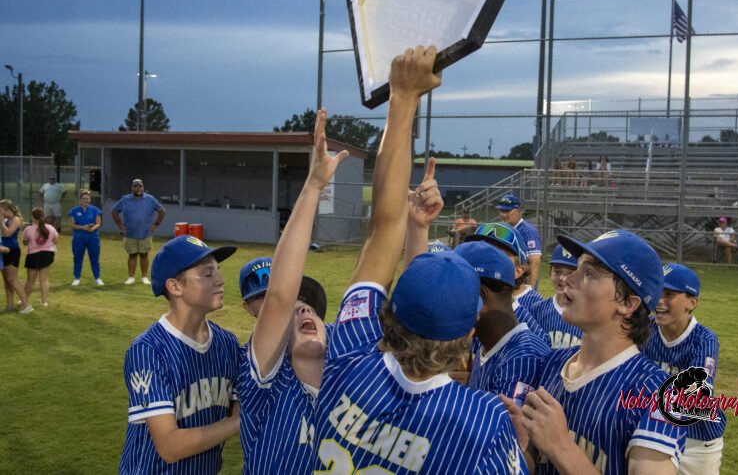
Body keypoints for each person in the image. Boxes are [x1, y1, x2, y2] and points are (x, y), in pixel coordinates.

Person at [313, 46, 527, 474]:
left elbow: (381, 228)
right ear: (468, 336)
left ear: (387, 314)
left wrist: (403, 99)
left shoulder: (347, 358)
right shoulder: (484, 423)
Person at [503, 230, 685, 474]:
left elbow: (556, 448)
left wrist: (562, 448)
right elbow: (534, 460)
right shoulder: (553, 362)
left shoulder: (657, 393)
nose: (568, 279)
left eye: (588, 273)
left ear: (628, 304)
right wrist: (519, 447)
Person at [238, 109, 346, 473]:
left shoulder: (352, 384)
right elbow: (281, 296)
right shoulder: (264, 386)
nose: (303, 311)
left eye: (311, 309)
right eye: (293, 310)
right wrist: (314, 186)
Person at [119, 234, 240, 474]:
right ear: (174, 286)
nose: (220, 281)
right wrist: (237, 422)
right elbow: (169, 446)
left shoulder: (227, 343)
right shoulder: (148, 350)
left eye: (218, 271)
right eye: (208, 274)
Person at [642, 263, 726, 475]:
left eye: (669, 294)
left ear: (691, 302)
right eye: (657, 291)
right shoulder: (645, 330)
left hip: (696, 440)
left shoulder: (704, 340)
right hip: (655, 429)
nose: (659, 301)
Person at [454, 240, 551, 398]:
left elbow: (500, 422)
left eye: (454, 294)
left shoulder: (522, 360)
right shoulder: (490, 342)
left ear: (481, 296)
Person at [112, 178, 166, 285]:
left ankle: (144, 277)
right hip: (130, 233)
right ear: (132, 188)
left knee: (144, 254)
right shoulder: (125, 199)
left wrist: (156, 224)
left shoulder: (150, 199)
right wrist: (121, 226)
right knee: (132, 255)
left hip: (145, 232)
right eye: (136, 186)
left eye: (140, 186)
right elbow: (114, 211)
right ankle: (131, 277)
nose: (138, 188)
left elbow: (162, 211)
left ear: (143, 187)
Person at [530, 244, 582, 349]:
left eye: (570, 273)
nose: (562, 278)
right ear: (550, 273)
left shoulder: (589, 315)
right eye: (557, 272)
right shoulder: (537, 310)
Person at [496, 193, 543, 290]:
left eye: (507, 211)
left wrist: (531, 290)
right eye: (501, 211)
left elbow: (534, 260)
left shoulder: (527, 231)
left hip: (522, 286)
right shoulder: (503, 229)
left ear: (519, 211)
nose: (504, 214)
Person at [22, 207, 58, 308]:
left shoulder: (28, 229)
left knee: (30, 280)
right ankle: (44, 302)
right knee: (44, 279)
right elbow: (56, 239)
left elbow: (24, 242)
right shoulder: (51, 228)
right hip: (47, 254)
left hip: (33, 255)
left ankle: (24, 300)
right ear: (43, 216)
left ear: (32, 217)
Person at [0, 199, 30, 314]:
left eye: (1, 210)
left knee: (12, 279)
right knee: (6, 280)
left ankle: (26, 305)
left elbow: (8, 233)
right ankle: (10, 305)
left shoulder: (15, 219)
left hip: (12, 251)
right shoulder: (5, 220)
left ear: (7, 209)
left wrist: (1, 221)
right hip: (3, 250)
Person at [68, 189, 103, 286]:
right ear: (80, 200)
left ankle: (97, 278)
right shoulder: (74, 211)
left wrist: (92, 229)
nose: (85, 200)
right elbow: (72, 225)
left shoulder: (95, 210)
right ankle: (76, 278)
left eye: (87, 198)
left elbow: (98, 223)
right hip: (79, 238)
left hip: (93, 238)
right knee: (78, 258)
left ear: (90, 199)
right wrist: (82, 227)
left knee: (94, 259)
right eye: (83, 199)